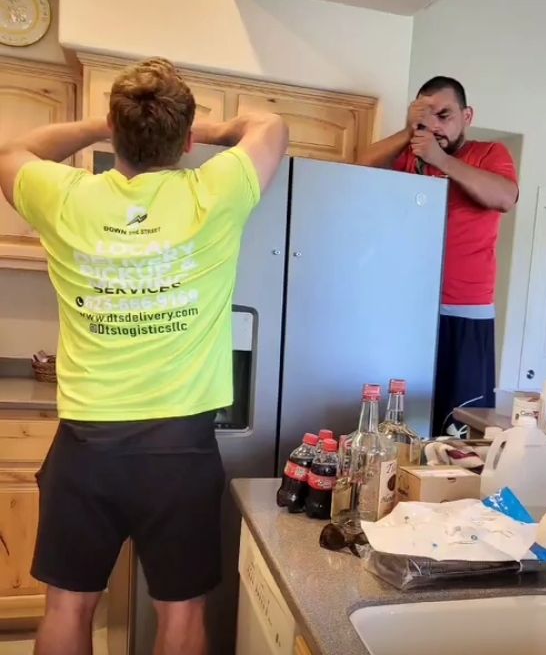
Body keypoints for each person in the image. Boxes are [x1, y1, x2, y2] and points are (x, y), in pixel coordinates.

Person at [0, 58, 288, 655]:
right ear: (182, 141)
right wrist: (199, 133)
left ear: (116, 129)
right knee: (181, 615)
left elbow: (13, 150)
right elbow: (270, 126)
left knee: (68, 606)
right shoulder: (217, 191)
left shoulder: (66, 196)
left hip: (86, 444)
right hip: (178, 449)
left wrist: (102, 126)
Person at [359, 76, 518, 433]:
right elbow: (359, 166)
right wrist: (408, 131)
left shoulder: (490, 154)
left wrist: (439, 158)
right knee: (399, 422)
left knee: (460, 426)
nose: (434, 126)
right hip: (407, 310)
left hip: (465, 311)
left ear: (467, 115)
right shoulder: (408, 156)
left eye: (444, 115)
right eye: (425, 117)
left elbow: (504, 196)